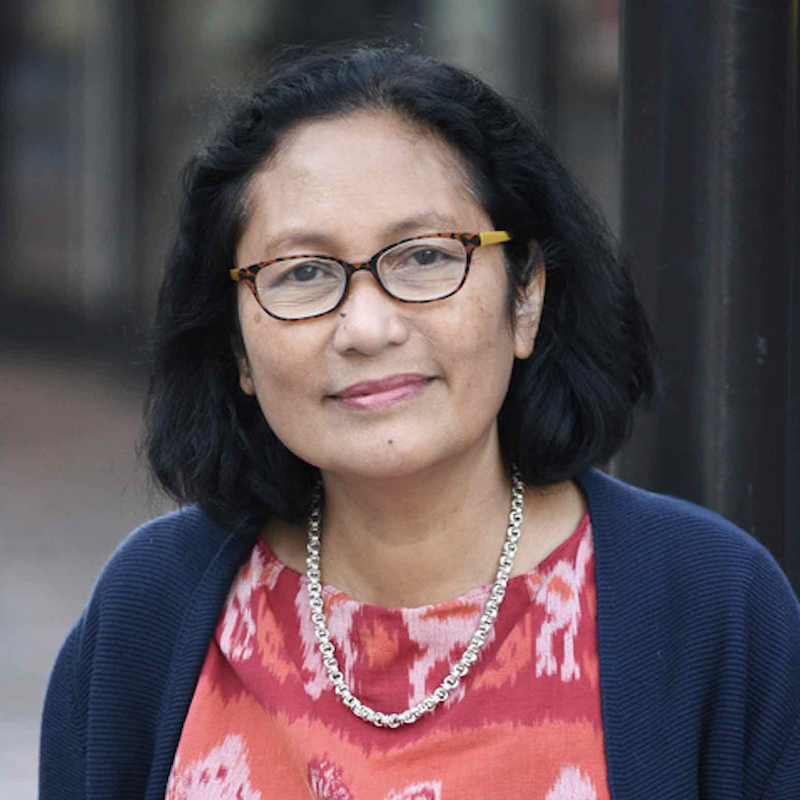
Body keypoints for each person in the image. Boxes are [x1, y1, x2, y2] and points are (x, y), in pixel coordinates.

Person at [40, 45, 799, 800]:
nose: (367, 326)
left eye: (426, 257)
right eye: (302, 272)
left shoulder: (714, 608)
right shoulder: (151, 608)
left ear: (526, 296)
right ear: (236, 343)